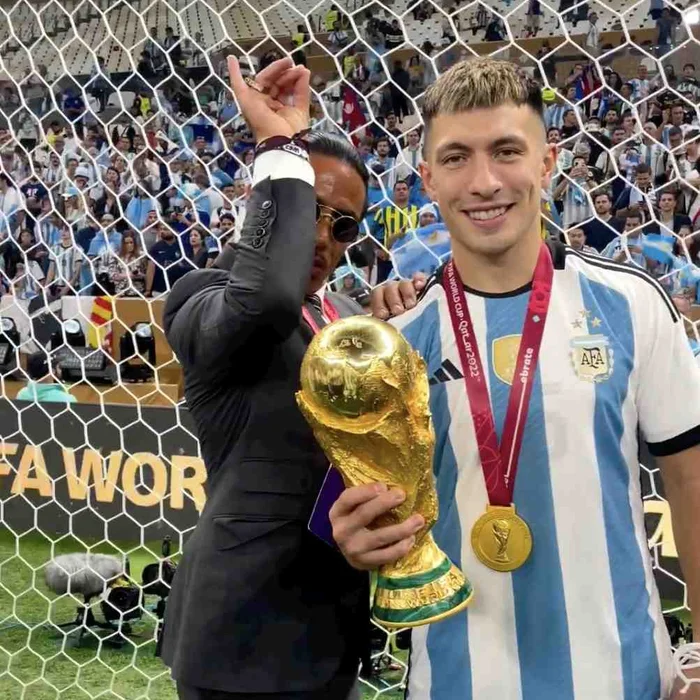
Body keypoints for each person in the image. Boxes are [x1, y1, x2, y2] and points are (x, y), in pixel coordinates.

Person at [329, 57, 700, 700]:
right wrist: (358, 540)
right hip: (456, 684)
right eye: (456, 158)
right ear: (428, 178)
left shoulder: (632, 305)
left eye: (506, 151)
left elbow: (693, 487)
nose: (484, 182)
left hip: (624, 682)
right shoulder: (397, 339)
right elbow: (362, 518)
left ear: (547, 161)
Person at [159, 56, 413, 700]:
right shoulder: (203, 297)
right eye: (310, 210)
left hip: (334, 630)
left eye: (342, 225)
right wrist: (279, 146)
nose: (321, 237)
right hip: (242, 637)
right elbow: (269, 295)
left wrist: (402, 326)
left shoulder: (349, 316)